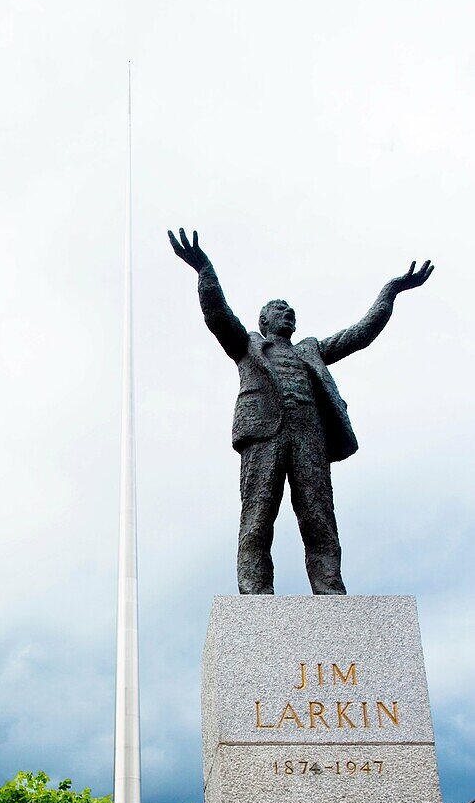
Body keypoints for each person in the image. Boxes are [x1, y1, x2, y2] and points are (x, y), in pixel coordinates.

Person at [169, 228, 434, 595]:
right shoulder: (247, 345)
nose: (289, 314)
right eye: (280, 310)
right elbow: (217, 313)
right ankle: (255, 595)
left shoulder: (311, 349)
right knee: (258, 517)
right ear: (264, 321)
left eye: (292, 311)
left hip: (310, 436)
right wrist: (204, 270)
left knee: (319, 518)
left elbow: (359, 334)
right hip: (265, 433)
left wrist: (391, 291)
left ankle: (329, 590)